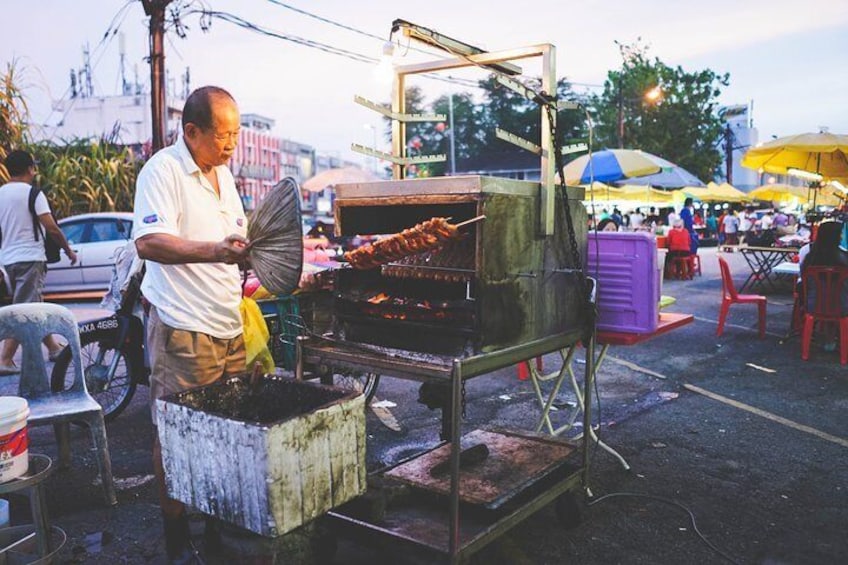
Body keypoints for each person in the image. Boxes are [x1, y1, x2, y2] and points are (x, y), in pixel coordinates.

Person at [133, 86, 251, 563]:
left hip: (229, 328)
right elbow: (150, 242)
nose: (230, 145)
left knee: (227, 434)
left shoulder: (225, 176)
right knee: (178, 438)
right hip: (184, 329)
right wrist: (214, 251)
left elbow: (235, 241)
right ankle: (177, 535)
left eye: (236, 134)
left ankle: (217, 527)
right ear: (192, 131)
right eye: (222, 135)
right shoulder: (163, 170)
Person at [0, 150, 77, 375]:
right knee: (24, 310)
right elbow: (51, 227)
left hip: (7, 260)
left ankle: (53, 348)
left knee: (35, 306)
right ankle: (5, 359)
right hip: (30, 259)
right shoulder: (33, 194)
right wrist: (68, 250)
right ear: (30, 169)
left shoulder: (1, 193)